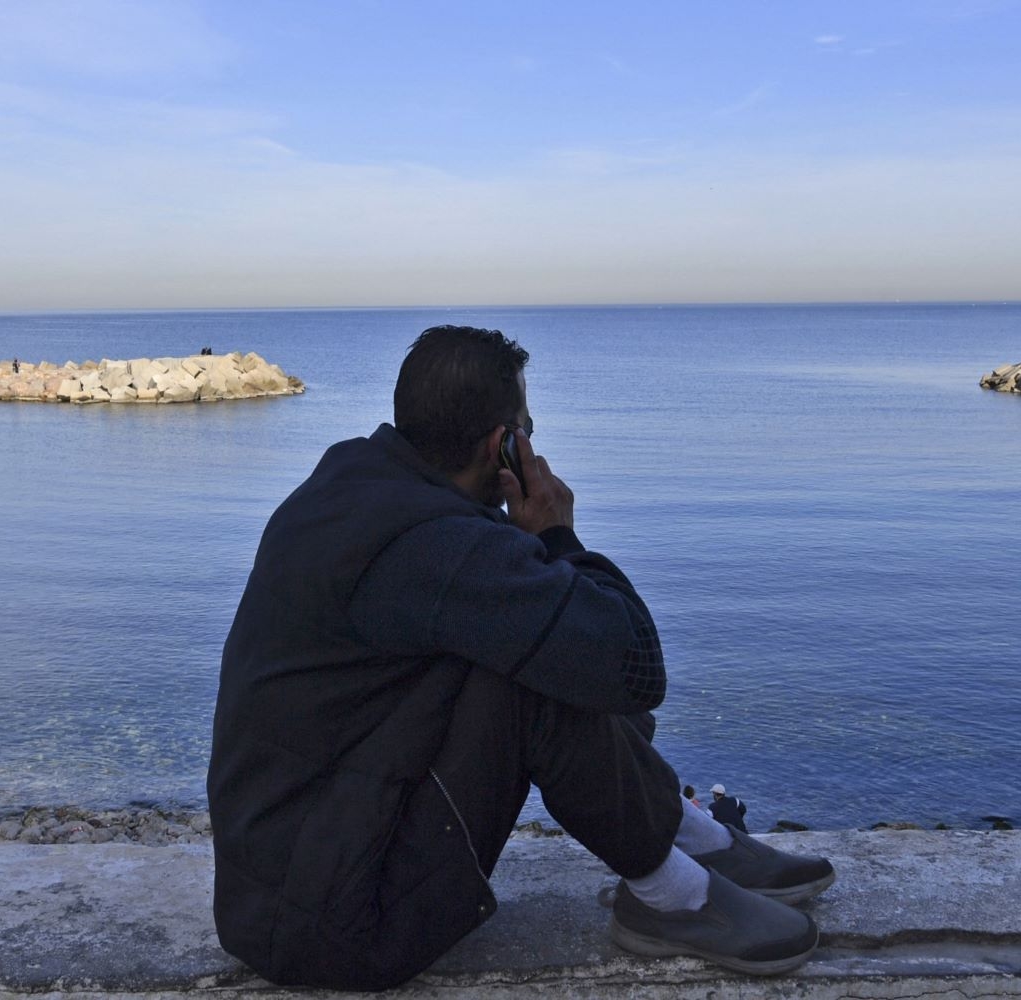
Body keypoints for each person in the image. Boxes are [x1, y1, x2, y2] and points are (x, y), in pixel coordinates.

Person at [209, 325, 835, 990]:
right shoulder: (432, 542)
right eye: (525, 425)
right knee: (531, 668)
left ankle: (684, 834)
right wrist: (560, 536)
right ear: (501, 443)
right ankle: (673, 898)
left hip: (286, 884)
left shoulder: (358, 487)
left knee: (533, 633)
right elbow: (634, 670)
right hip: (340, 925)